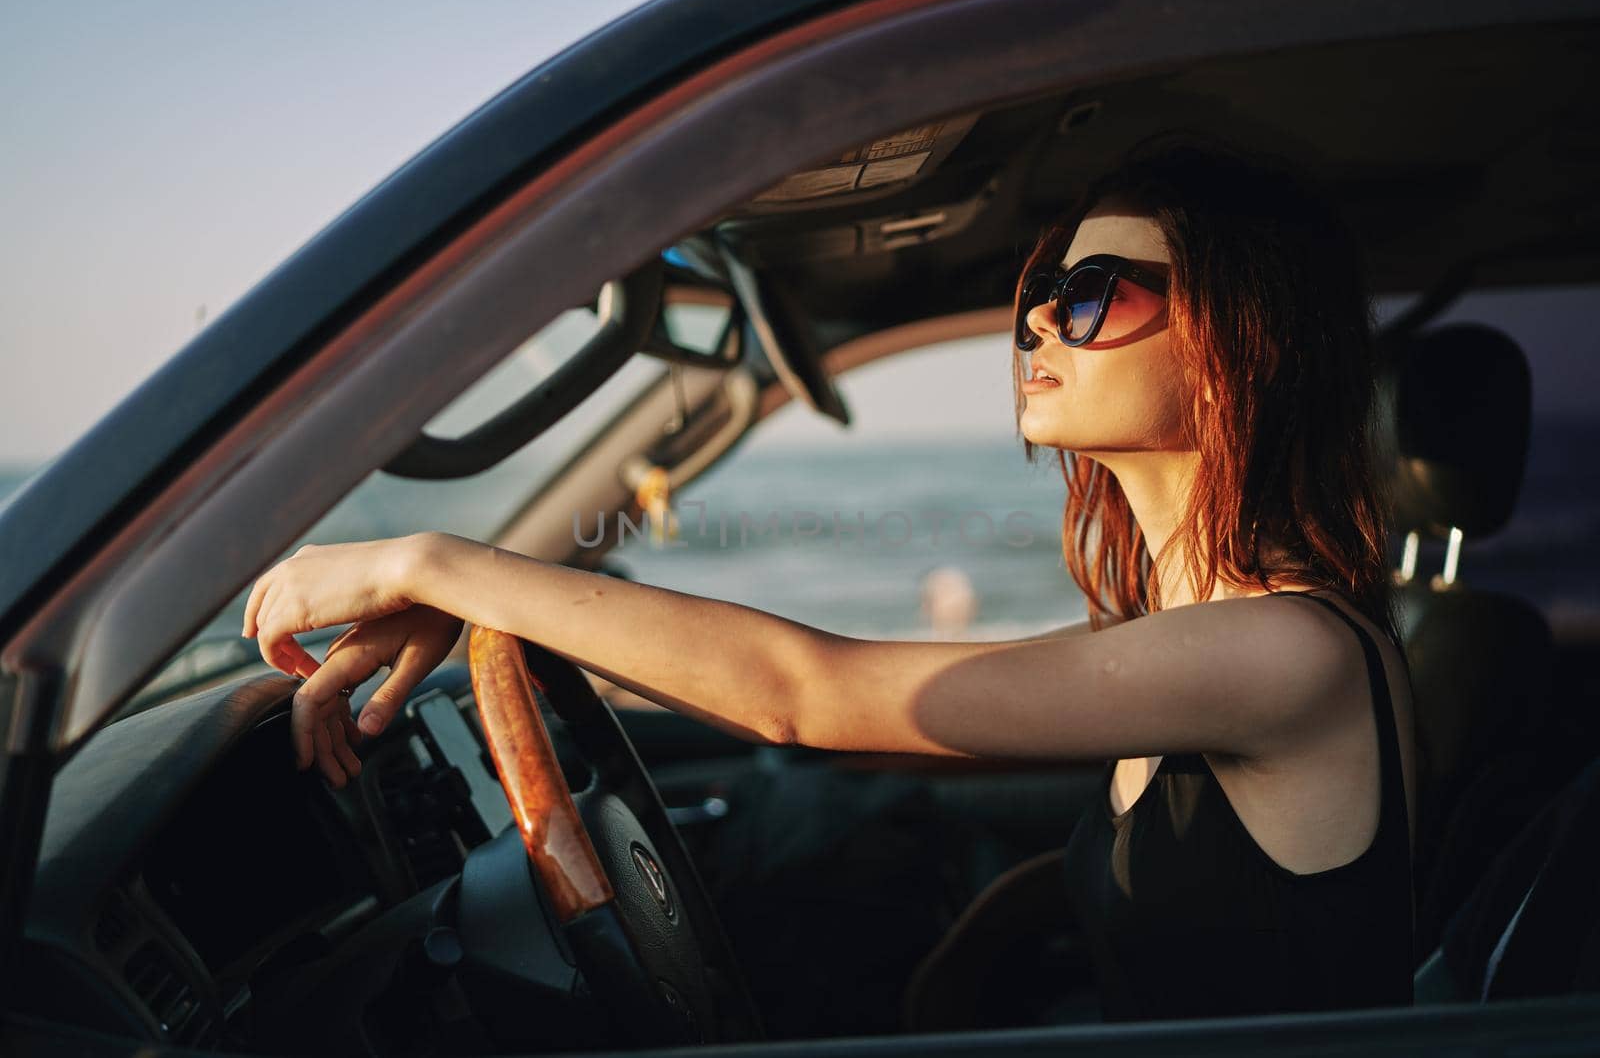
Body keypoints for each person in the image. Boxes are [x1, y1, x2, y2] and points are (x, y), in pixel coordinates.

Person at [242, 137, 1417, 1022]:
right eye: (1038, 299)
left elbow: (807, 690)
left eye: (1093, 293)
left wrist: (431, 558)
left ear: (1235, 345)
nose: (1040, 329)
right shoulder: (1184, 632)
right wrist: (978, 935)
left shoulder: (1283, 653)